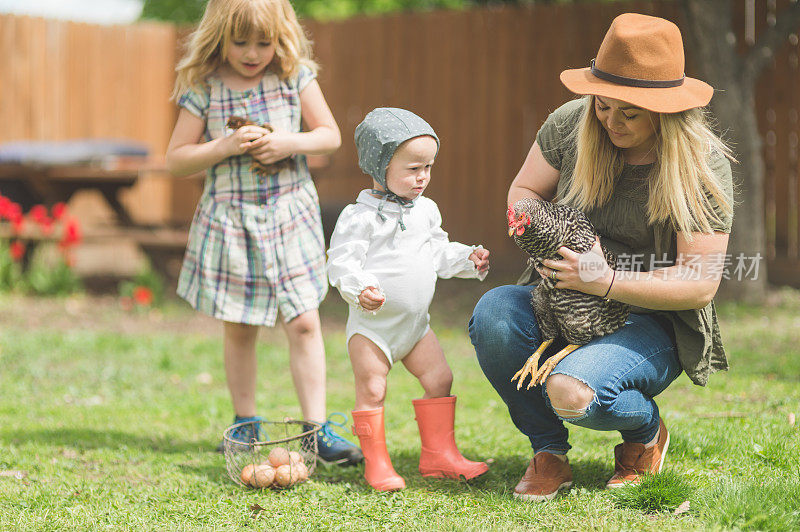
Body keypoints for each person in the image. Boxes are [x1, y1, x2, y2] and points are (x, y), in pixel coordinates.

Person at [469, 13, 735, 501]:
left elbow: (699, 283)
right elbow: (525, 188)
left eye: (629, 113)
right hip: (565, 300)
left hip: (650, 316)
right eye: (603, 106)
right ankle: (549, 452)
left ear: (665, 111)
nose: (610, 122)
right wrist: (540, 232)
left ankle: (644, 434)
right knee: (494, 316)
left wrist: (605, 281)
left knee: (573, 393)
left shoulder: (699, 165)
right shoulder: (573, 124)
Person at [165, 0, 362, 465]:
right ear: (219, 35)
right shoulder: (204, 87)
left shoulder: (294, 76)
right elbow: (176, 158)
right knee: (241, 326)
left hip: (289, 216)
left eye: (264, 42)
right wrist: (226, 145)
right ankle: (245, 424)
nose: (253, 53)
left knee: (305, 320)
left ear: (281, 37)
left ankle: (315, 431)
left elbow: (329, 135)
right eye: (241, 42)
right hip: (232, 220)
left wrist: (287, 143)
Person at [327, 108, 491, 491]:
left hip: (416, 327)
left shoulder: (425, 210)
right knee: (373, 389)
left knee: (440, 378)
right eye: (412, 168)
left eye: (428, 167)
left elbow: (437, 252)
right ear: (379, 165)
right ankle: (378, 462)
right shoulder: (359, 217)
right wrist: (360, 288)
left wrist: (467, 258)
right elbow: (341, 263)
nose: (422, 177)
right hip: (374, 329)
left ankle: (439, 455)